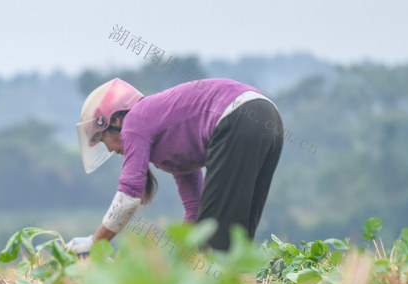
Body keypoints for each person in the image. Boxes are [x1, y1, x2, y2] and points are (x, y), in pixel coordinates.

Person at [67, 77, 283, 254]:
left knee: (215, 242)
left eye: (102, 139)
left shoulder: (134, 121)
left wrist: (94, 243)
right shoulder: (166, 137)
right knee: (238, 234)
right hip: (268, 118)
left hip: (237, 117)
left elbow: (129, 196)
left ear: (114, 121)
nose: (110, 150)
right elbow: (195, 209)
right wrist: (178, 260)